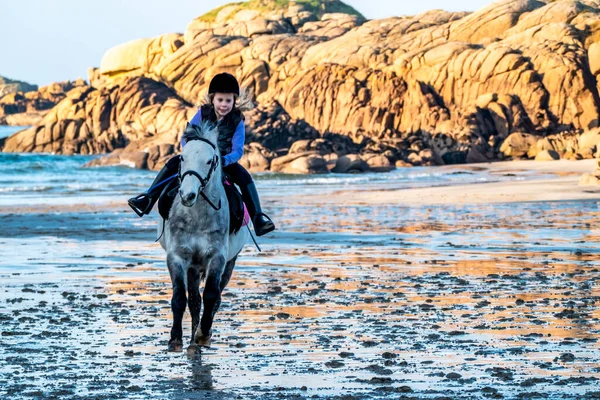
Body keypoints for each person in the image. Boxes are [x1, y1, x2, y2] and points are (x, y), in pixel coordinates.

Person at [127, 72, 275, 236]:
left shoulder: (237, 120)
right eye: (220, 100)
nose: (223, 105)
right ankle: (148, 199)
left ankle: (258, 218)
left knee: (244, 176)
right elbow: (186, 137)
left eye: (228, 100)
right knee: (172, 163)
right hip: (198, 160)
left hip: (224, 162)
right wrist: (191, 152)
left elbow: (238, 150)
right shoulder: (203, 113)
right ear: (213, 99)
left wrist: (224, 160)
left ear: (234, 101)